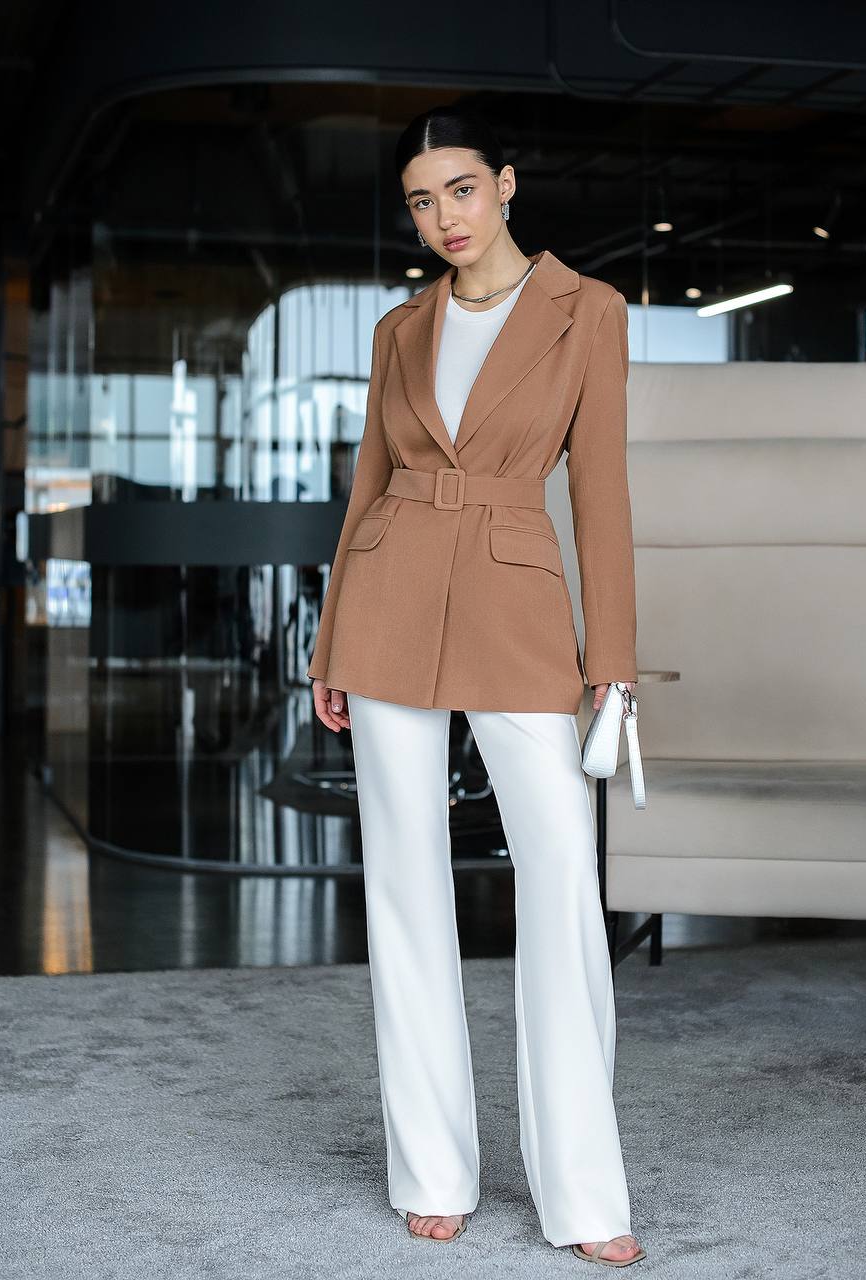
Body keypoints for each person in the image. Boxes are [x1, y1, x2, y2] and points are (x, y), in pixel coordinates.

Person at [308, 104, 645, 1268]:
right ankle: (433, 1169)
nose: (440, 216)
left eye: (458, 189)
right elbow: (365, 489)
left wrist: (612, 663)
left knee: (557, 875)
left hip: (516, 608)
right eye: (417, 199)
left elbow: (599, 496)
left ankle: (585, 1191)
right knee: (402, 884)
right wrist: (327, 646)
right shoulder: (400, 327)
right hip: (385, 598)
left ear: (504, 184)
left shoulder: (585, 310)